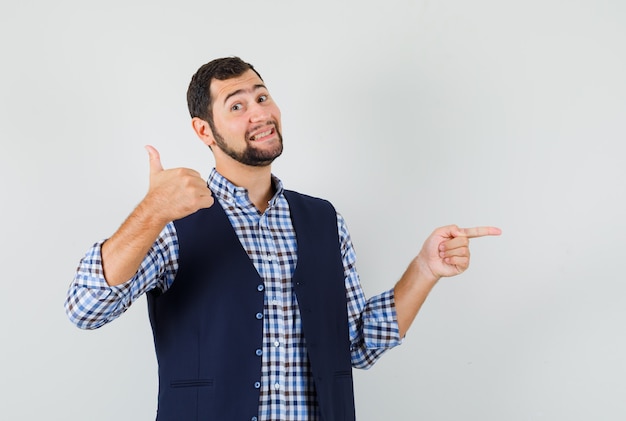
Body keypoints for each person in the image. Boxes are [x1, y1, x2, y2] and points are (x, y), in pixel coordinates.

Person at [65, 56, 501, 421]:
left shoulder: (323, 219)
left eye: (262, 96)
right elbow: (85, 309)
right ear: (204, 131)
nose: (259, 113)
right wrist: (152, 211)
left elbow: (358, 344)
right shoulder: (173, 220)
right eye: (237, 106)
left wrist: (425, 269)